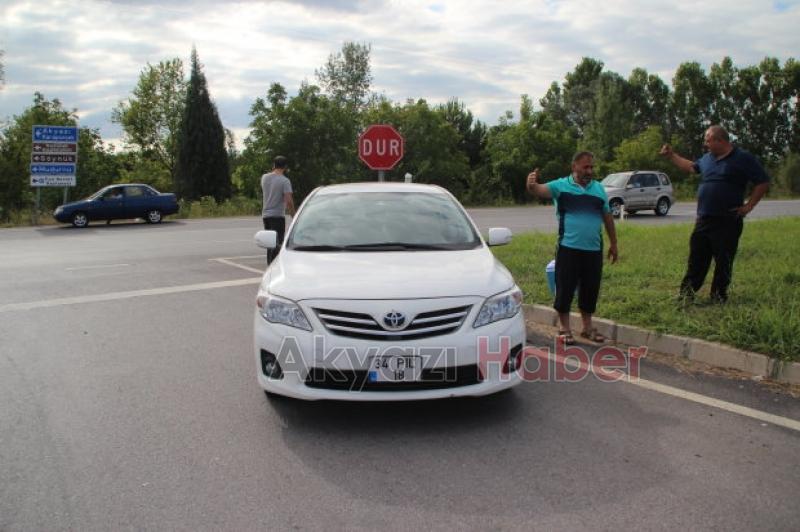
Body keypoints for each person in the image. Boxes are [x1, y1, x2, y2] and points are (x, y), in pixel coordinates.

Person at [660, 125, 770, 303]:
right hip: (704, 218)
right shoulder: (708, 158)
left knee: (723, 260)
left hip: (728, 219)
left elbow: (763, 182)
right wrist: (672, 156)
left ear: (720, 140)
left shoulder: (743, 158)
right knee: (696, 258)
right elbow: (691, 167)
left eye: (708, 140)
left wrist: (748, 206)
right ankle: (686, 294)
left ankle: (718, 296)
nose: (705, 144)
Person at [526, 152, 619, 344]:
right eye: (585, 167)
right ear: (574, 167)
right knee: (565, 288)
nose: (590, 171)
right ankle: (564, 328)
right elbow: (538, 190)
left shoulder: (599, 189)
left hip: (593, 250)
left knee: (590, 290)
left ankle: (587, 328)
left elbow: (608, 217)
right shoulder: (560, 186)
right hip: (568, 248)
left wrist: (614, 243)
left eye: (591, 167)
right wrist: (531, 184)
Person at [261, 155, 295, 264]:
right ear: (285, 167)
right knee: (277, 244)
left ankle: (269, 265)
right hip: (277, 216)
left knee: (269, 244)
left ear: (273, 165)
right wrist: (294, 215)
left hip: (266, 215)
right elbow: (288, 200)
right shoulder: (285, 181)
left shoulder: (264, 177)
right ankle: (273, 268)